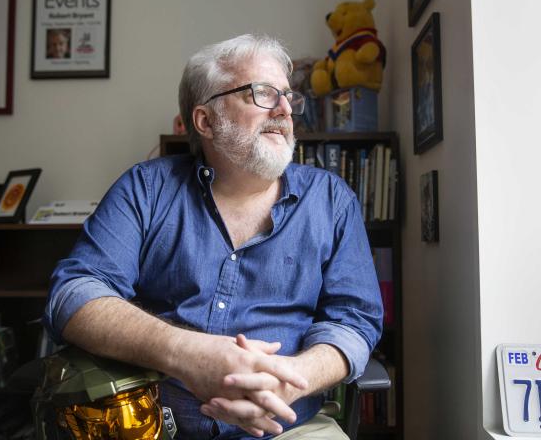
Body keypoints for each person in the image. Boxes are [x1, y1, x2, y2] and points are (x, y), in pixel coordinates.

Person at [44, 34, 382, 439]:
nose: (285, 110)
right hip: (150, 427)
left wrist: (292, 379)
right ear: (205, 120)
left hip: (289, 424)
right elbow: (73, 293)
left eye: (289, 97)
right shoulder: (145, 189)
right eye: (262, 93)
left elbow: (355, 321)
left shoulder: (331, 200)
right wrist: (187, 353)